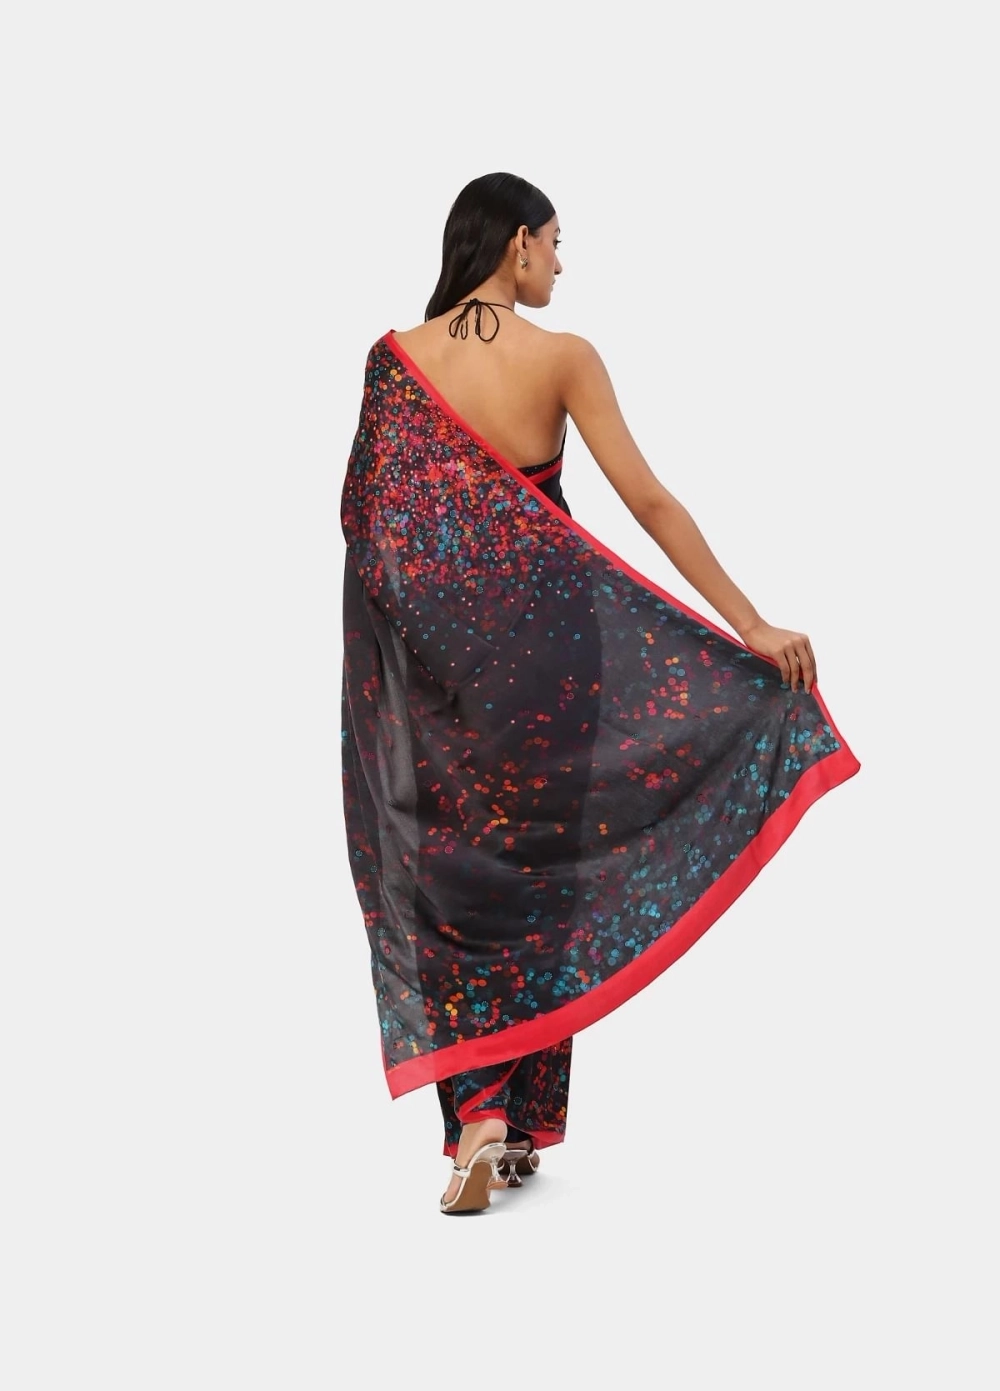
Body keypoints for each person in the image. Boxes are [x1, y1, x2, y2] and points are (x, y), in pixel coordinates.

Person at [339, 172, 859, 1215]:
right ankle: (516, 1118)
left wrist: (417, 661)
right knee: (544, 863)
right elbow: (649, 499)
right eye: (556, 242)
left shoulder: (394, 359)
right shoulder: (563, 356)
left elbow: (369, 526)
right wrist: (748, 623)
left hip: (444, 665)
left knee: (454, 869)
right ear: (516, 241)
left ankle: (481, 1117)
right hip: (551, 654)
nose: (561, 264)